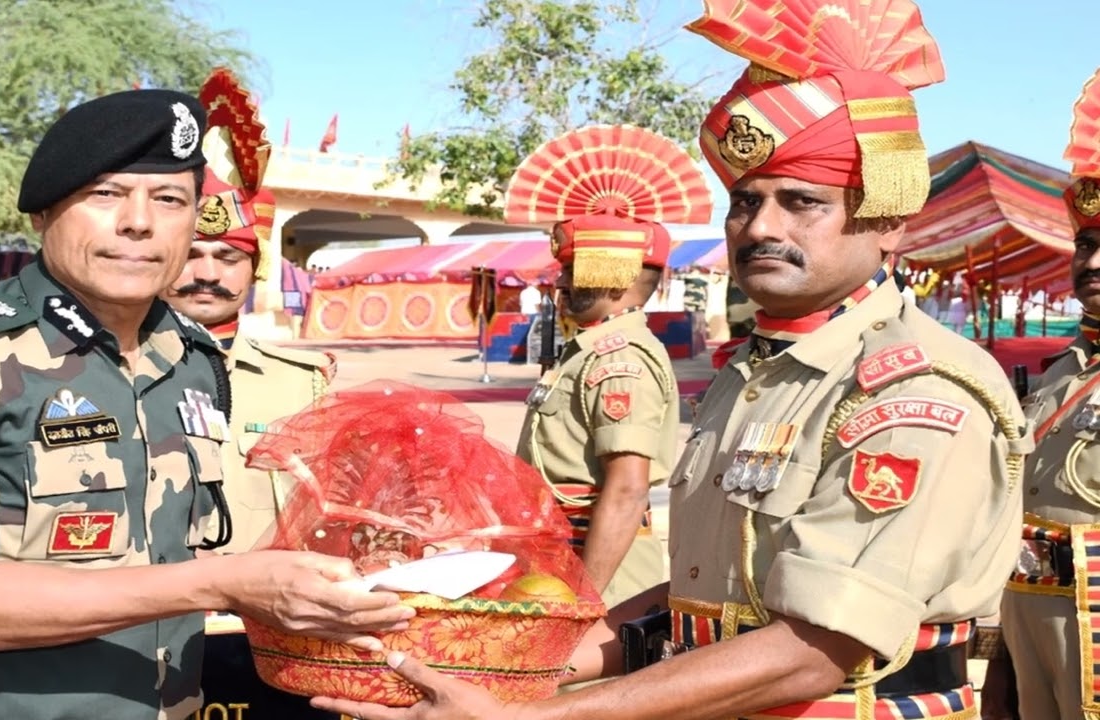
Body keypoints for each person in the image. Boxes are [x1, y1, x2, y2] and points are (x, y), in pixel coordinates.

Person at [311, 2, 1028, 719]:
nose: (761, 227)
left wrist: (527, 716)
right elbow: (700, 597)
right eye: (744, 202)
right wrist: (508, 667)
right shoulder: (756, 371)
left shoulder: (914, 388)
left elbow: (816, 648)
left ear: (887, 221)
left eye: (801, 202)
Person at [0, 87, 413, 720]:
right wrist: (223, 584)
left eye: (169, 199)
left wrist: (355, 561)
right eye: (106, 194)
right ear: (42, 215)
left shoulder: (191, 357)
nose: (139, 222)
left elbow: (172, 549)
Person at [161, 66, 341, 720]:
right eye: (193, 253)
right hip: (149, 632)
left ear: (255, 267)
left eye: (230, 257)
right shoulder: (107, 370)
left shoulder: (305, 380)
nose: (208, 273)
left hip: (272, 639)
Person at [505, 124, 705, 609]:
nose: (561, 283)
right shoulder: (589, 348)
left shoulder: (619, 358)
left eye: (573, 271)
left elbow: (627, 490)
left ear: (612, 276)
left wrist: (583, 601)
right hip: (559, 555)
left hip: (597, 573)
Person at [995, 64, 1100, 720]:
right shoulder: (1063, 369)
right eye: (1085, 244)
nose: (1093, 262)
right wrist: (1001, 663)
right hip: (1030, 618)